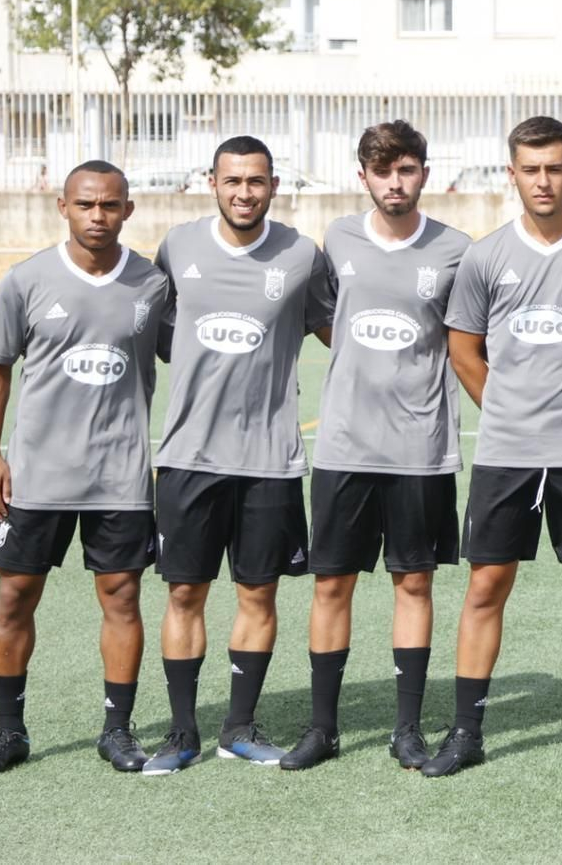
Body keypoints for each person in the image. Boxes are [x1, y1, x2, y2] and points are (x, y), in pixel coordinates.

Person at [424, 116, 562, 778]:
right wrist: (508, 411)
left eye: (554, 168)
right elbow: (464, 351)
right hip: (506, 452)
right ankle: (467, 733)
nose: (543, 181)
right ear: (512, 174)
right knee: (486, 584)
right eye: (530, 169)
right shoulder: (486, 256)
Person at [277, 122, 471, 771]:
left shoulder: (456, 250)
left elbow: (466, 338)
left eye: (406, 169)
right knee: (331, 585)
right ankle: (323, 728)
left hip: (420, 447)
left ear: (425, 174)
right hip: (344, 445)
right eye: (382, 171)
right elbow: (327, 320)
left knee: (413, 582)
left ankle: (407, 728)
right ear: (362, 176)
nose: (395, 182)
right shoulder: (337, 238)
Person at [0, 160, 170, 777]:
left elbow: (190, 352)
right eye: (85, 204)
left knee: (122, 598)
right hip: (37, 475)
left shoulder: (152, 285)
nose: (97, 216)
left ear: (128, 210)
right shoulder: (26, 280)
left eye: (109, 205)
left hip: (120, 474)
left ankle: (117, 730)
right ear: (63, 207)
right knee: (14, 598)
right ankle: (8, 731)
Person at [142, 136, 334, 775]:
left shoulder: (302, 255)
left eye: (256, 181)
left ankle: (239, 728)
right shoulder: (178, 247)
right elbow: (158, 335)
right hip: (189, 456)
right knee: (184, 595)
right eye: (233, 181)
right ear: (212, 183)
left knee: (259, 595)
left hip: (269, 460)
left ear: (273, 185)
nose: (244, 193)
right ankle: (181, 733)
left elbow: (337, 331)